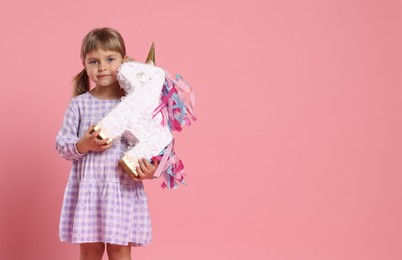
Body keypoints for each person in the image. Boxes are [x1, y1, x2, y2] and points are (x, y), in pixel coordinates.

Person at [56, 27, 159, 260]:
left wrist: (149, 170)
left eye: (110, 59)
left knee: (120, 251)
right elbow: (63, 144)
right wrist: (83, 144)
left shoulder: (134, 103)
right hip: (88, 192)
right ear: (84, 64)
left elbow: (151, 144)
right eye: (94, 61)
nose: (102, 67)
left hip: (121, 191)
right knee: (90, 251)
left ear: (124, 60)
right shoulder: (79, 105)